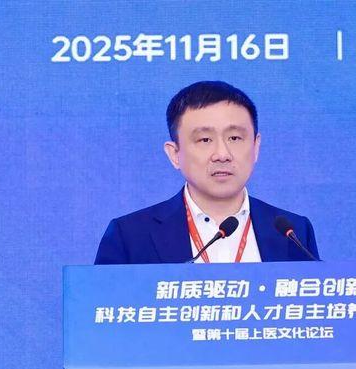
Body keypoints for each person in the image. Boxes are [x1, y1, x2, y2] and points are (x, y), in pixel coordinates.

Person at [95, 81, 319, 264]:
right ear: (174, 154)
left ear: (256, 147)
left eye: (235, 138)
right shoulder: (130, 236)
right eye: (204, 140)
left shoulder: (294, 233)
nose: (222, 154)